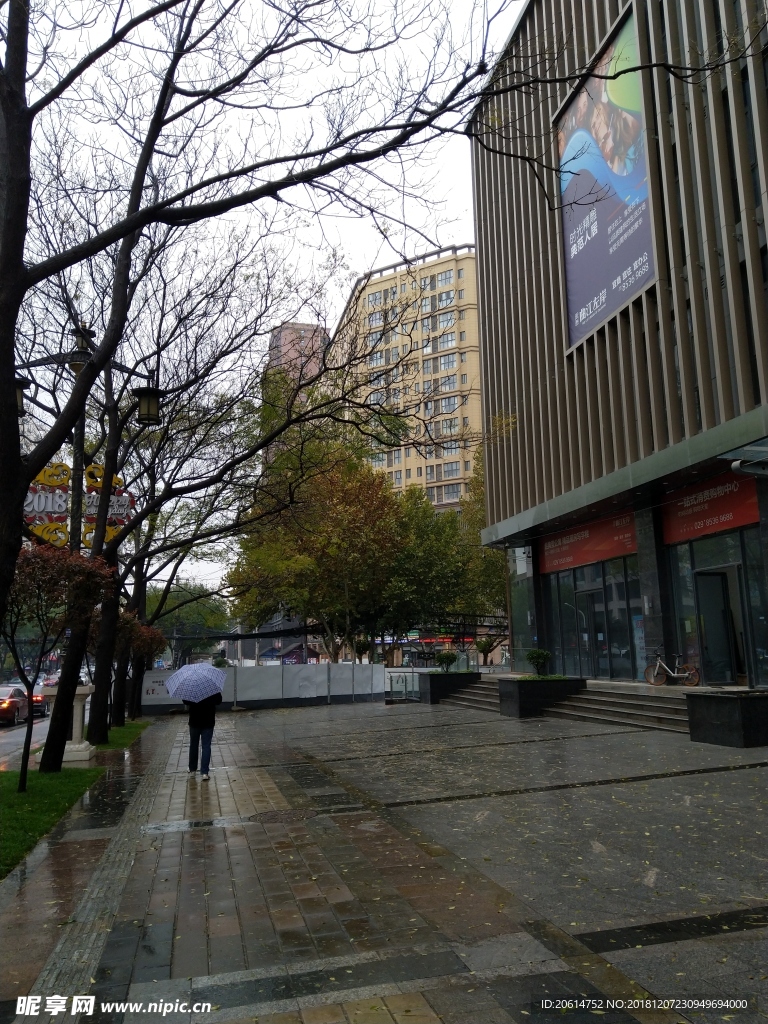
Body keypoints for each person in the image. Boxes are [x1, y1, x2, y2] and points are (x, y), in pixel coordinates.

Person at [184, 691, 222, 780]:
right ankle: (204, 772)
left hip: (194, 720)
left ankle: (192, 770)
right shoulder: (212, 688)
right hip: (208, 721)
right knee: (206, 746)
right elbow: (219, 701)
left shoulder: (191, 688)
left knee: (193, 745)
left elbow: (185, 701)